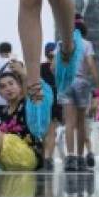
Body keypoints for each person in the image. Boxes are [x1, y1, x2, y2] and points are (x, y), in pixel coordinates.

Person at [59, 14, 99, 172]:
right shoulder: (86, 44)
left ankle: (70, 158)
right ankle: (81, 158)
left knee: (69, 123)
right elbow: (90, 63)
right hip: (81, 82)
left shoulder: (61, 43)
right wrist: (97, 82)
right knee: (81, 123)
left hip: (66, 83)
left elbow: (54, 67)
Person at [40, 42, 63, 170]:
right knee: (52, 132)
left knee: (43, 132)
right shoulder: (60, 68)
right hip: (56, 100)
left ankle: (44, 156)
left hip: (43, 100)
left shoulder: (40, 67)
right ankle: (49, 157)